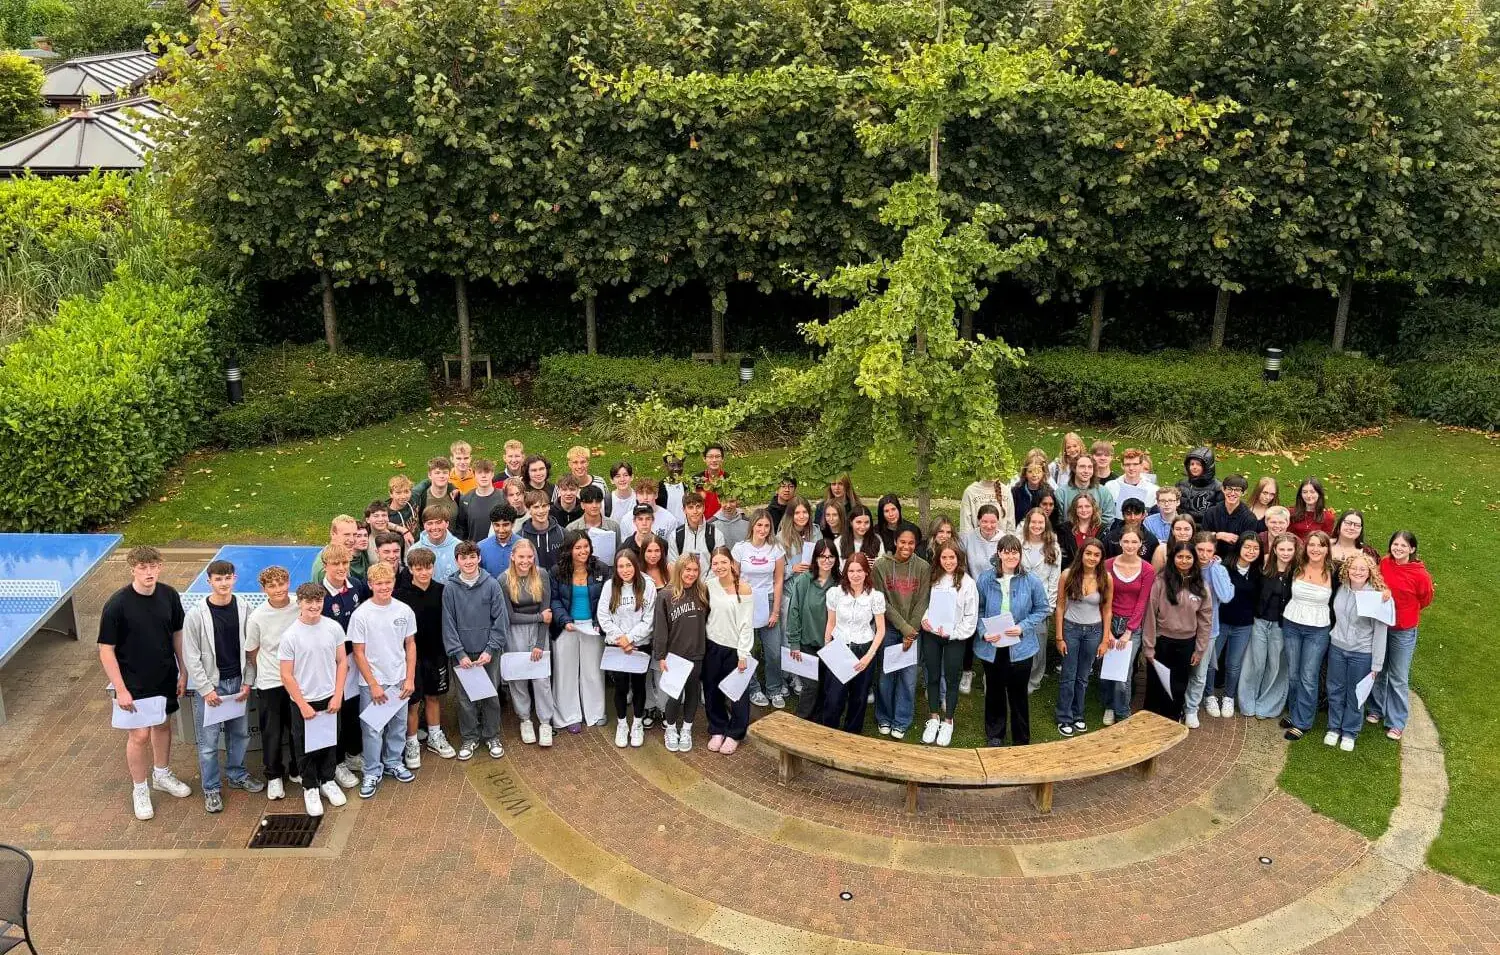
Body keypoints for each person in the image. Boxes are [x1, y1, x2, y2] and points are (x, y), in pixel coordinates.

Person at [100, 545, 192, 820]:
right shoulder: (117, 604)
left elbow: (177, 633)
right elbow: (106, 649)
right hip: (132, 681)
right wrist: (120, 688)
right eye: (143, 567)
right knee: (139, 735)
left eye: (153, 566)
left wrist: (183, 671)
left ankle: (161, 774)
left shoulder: (169, 595)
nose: (149, 572)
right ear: (133, 569)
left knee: (163, 725)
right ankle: (139, 789)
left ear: (160, 567)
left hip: (164, 674)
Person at [183, 559, 261, 813]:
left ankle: (237, 775)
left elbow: (251, 649)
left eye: (227, 578)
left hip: (238, 684)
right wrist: (206, 689)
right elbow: (191, 655)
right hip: (212, 688)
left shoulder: (245, 608)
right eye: (218, 579)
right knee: (208, 744)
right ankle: (211, 789)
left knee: (239, 735)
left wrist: (248, 681)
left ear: (234, 579)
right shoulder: (196, 615)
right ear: (209, 582)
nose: (223, 583)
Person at [278, 582, 350, 818]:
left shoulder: (333, 628)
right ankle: (310, 786)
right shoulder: (290, 636)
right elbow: (286, 675)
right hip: (304, 702)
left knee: (330, 742)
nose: (314, 606)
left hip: (330, 699)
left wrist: (338, 694)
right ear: (299, 603)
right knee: (305, 748)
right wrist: (302, 704)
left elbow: (342, 662)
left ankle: (327, 780)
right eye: (309, 602)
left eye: (318, 602)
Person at [348, 564, 417, 799]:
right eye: (379, 583)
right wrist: (374, 684)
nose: (384, 587)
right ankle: (371, 770)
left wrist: (409, 678)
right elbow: (358, 652)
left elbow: (410, 645)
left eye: (388, 582)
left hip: (399, 680)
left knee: (398, 725)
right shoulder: (361, 615)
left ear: (393, 583)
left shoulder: (404, 610)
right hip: (373, 683)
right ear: (370, 585)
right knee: (372, 729)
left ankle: (393, 762)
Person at [974, 536, 1049, 746]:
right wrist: (983, 631)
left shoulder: (1031, 580)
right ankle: (995, 735)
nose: (1011, 556)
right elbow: (978, 609)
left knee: (1018, 695)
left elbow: (1042, 609)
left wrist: (1022, 627)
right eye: (1006, 552)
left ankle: (1021, 738)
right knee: (995, 692)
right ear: (999, 553)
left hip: (1020, 646)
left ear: (1020, 554)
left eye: (1015, 552)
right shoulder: (985, 579)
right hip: (993, 645)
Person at [442, 541, 509, 760]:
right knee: (465, 699)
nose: (469, 562)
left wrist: (490, 649)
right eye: (464, 558)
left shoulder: (491, 585)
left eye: (472, 557)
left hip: (487, 653)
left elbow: (500, 620)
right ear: (457, 561)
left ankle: (492, 736)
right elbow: (448, 623)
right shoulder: (450, 588)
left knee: (490, 694)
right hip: (463, 655)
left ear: (479, 558)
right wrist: (459, 654)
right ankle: (470, 738)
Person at [316, 543, 371, 789]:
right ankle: (336, 762)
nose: (341, 568)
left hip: (354, 659)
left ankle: (352, 754)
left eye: (344, 563)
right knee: (333, 712)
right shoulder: (319, 596)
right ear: (325, 566)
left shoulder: (357, 586)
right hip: (330, 665)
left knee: (352, 710)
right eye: (335, 564)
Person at [1371, 531, 1435, 741]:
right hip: (1382, 625)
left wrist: (1407, 612)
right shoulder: (1385, 563)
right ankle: (1376, 709)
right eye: (1395, 545)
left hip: (1403, 630)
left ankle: (1396, 722)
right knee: (1379, 669)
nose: (1398, 549)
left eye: (1403, 546)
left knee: (1398, 676)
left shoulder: (1419, 574)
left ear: (1412, 549)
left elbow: (1425, 599)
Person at [245, 566, 300, 802]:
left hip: (299, 681)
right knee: (272, 732)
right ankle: (274, 776)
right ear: (264, 589)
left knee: (298, 729)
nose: (277, 590)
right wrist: (271, 670)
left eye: (281, 584)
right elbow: (252, 651)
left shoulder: (300, 605)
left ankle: (298, 769)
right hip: (270, 682)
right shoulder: (257, 618)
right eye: (271, 586)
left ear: (288, 583)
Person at [395, 547, 455, 764]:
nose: (423, 573)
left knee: (433, 696)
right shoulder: (399, 596)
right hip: (411, 658)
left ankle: (434, 735)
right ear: (410, 569)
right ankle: (411, 742)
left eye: (428, 568)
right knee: (413, 702)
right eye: (418, 569)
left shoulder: (442, 590)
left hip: (437, 653)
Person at [1142, 541, 1213, 722]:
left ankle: (1172, 717)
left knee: (1178, 684)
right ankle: (1150, 718)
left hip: (1187, 642)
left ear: (1194, 559)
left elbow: (1205, 620)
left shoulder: (1201, 585)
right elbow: (1150, 613)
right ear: (1172, 558)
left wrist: (1199, 649)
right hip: (1162, 640)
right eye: (1179, 556)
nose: (1184, 560)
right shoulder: (1160, 582)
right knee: (1156, 682)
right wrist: (1149, 646)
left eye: (1188, 557)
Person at [1325, 554, 1388, 751]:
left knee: (1356, 693)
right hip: (1337, 647)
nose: (1358, 572)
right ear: (1347, 570)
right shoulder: (1342, 588)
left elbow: (1380, 632)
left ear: (1370, 572)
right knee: (1335, 689)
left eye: (1363, 569)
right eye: (1354, 568)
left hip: (1362, 652)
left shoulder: (1377, 597)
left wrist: (1377, 664)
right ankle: (1334, 727)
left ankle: (1350, 731)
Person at [498, 539, 556, 747]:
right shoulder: (503, 580)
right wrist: (540, 618)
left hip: (539, 632)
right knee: (518, 679)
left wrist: (540, 643)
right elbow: (510, 617)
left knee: (541, 679)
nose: (525, 561)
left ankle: (545, 722)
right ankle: (524, 719)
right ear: (513, 557)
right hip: (515, 632)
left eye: (529, 557)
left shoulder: (542, 575)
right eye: (521, 557)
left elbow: (547, 610)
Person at [873, 528, 931, 739]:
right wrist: (904, 629)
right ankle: (884, 717)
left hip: (913, 630)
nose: (906, 547)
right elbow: (882, 602)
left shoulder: (923, 567)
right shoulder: (881, 566)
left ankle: (902, 720)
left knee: (908, 677)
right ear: (895, 541)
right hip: (889, 629)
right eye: (903, 542)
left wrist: (911, 632)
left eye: (911, 543)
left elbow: (923, 600)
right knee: (886, 675)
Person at [819, 552, 885, 733]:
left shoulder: (875, 596)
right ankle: (828, 732)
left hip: (864, 648)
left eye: (859, 570)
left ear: (866, 572)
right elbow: (830, 623)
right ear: (845, 572)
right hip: (839, 647)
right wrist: (827, 650)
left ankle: (852, 734)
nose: (855, 575)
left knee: (859, 697)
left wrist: (868, 657)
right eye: (851, 570)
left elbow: (880, 629)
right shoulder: (835, 593)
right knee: (834, 697)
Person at [550, 532, 609, 733]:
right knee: (565, 672)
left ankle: (595, 712)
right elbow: (555, 599)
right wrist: (564, 620)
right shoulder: (557, 571)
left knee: (593, 671)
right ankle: (569, 716)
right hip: (567, 627)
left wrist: (598, 622)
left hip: (592, 627)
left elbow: (607, 599)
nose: (583, 551)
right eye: (578, 547)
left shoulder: (601, 568)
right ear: (569, 550)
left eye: (586, 546)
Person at [920, 541, 978, 745]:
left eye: (951, 557)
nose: (948, 561)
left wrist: (954, 633)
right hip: (932, 635)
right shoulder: (933, 578)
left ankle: (948, 721)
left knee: (952, 679)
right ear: (938, 559)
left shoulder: (968, 583)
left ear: (959, 558)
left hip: (955, 638)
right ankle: (934, 717)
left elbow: (971, 617)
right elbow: (924, 604)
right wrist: (924, 619)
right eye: (944, 557)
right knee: (933, 676)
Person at [598, 550, 657, 748]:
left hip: (639, 645)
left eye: (629, 565)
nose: (625, 570)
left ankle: (637, 723)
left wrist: (630, 638)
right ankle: (622, 724)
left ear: (636, 565)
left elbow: (649, 619)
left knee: (639, 685)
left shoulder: (647, 585)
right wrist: (620, 639)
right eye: (621, 566)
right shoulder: (610, 586)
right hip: (617, 646)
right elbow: (603, 616)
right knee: (621, 686)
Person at [1237, 532, 1298, 720]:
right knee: (1254, 663)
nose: (1285, 553)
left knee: (1276, 666)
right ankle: (1247, 703)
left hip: (1282, 626)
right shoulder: (1263, 566)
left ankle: (1267, 705)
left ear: (1295, 551)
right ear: (1274, 550)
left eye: (1289, 549)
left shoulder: (1298, 572)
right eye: (1282, 549)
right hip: (1260, 622)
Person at [653, 554, 711, 752]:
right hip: (675, 655)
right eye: (687, 569)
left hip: (696, 652)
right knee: (674, 695)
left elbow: (707, 621)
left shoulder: (702, 591)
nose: (691, 574)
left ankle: (686, 728)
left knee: (693, 692)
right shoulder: (666, 595)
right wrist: (660, 656)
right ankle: (670, 728)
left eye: (695, 570)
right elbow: (660, 629)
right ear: (679, 570)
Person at [1281, 531, 1335, 741]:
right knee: (1293, 674)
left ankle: (1303, 722)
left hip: (1318, 630)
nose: (1315, 549)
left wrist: (1383, 590)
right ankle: (1295, 714)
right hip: (1292, 624)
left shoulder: (1335, 571)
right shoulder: (1296, 567)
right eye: (1311, 544)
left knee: (1308, 676)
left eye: (1320, 545)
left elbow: (1362, 577)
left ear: (1326, 549)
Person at [1055, 538, 1110, 737]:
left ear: (1101, 557)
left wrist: (1105, 639)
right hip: (1071, 629)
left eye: (1096, 555)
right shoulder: (1067, 575)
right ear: (1082, 554)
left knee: (1083, 677)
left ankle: (1078, 714)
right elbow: (1060, 606)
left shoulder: (1106, 578)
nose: (1092, 558)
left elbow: (1107, 609)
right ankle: (1064, 716)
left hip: (1093, 632)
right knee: (1068, 675)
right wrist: (1059, 636)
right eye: (1089, 553)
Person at [733, 508, 788, 709]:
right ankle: (753, 688)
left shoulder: (776, 549)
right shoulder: (741, 549)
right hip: (747, 601)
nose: (763, 530)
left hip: (768, 599)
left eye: (766, 526)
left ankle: (774, 688)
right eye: (759, 525)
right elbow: (734, 578)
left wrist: (775, 611)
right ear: (752, 526)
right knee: (750, 650)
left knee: (773, 651)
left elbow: (779, 579)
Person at [704, 547, 756, 753]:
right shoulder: (708, 586)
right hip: (712, 645)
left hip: (735, 649)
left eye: (723, 562)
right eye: (715, 563)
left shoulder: (743, 589)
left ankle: (735, 732)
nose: (719, 567)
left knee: (737, 693)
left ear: (732, 563)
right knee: (712, 689)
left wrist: (743, 653)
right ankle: (717, 727)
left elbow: (746, 625)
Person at [1102, 530, 1156, 725]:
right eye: (1126, 541)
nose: (1130, 545)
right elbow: (1104, 598)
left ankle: (1123, 713)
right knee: (1107, 668)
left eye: (1135, 542)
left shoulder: (1147, 569)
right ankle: (1109, 706)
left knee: (1123, 673)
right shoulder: (1108, 565)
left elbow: (1142, 602)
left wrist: (1128, 632)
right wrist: (1107, 630)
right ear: (1120, 542)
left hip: (1131, 627)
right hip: (1110, 620)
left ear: (1141, 544)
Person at [1183, 532, 1236, 729]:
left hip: (1208, 630)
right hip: (1182, 630)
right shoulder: (1184, 564)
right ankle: (1178, 705)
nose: (1204, 554)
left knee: (1199, 673)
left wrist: (1216, 568)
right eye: (1200, 550)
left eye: (1209, 551)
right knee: (1181, 670)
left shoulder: (1217, 569)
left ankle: (1191, 709)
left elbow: (1226, 596)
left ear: (1214, 552)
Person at [786, 541, 840, 721]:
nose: (826, 560)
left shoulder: (840, 583)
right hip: (807, 643)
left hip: (831, 645)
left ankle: (818, 723)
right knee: (811, 686)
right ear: (815, 558)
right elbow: (793, 611)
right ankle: (801, 722)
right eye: (822, 556)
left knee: (826, 686)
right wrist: (794, 643)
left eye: (830, 556)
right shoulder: (803, 581)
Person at [1211, 533, 1261, 719]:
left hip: (1243, 625)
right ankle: (1209, 696)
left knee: (1233, 664)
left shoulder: (1258, 572)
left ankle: (1229, 697)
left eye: (1255, 548)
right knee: (1212, 662)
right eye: (1247, 547)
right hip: (1221, 622)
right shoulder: (1223, 567)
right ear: (1239, 547)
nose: (1251, 551)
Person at [1019, 506, 1063, 695]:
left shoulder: (1052, 546)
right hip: (1019, 599)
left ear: (1046, 524)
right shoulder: (1018, 543)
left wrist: (1050, 606)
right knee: (1018, 639)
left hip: (1041, 602)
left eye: (1040, 522)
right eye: (1033, 522)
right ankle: (1018, 675)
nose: (1037, 526)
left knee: (1038, 642)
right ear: (1028, 523)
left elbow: (1054, 578)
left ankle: (1034, 679)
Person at [1201, 474, 1259, 561]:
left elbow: (1247, 546)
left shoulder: (1250, 518)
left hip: (1236, 560)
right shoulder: (1211, 512)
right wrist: (1218, 535)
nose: (1232, 493)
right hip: (1211, 558)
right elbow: (1202, 538)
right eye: (1229, 489)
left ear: (1243, 493)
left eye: (1237, 490)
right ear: (1223, 489)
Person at [1055, 455, 1116, 524]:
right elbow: (1058, 520)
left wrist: (1095, 532)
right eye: (1082, 467)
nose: (1086, 471)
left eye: (1090, 467)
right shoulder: (1061, 493)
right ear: (1074, 469)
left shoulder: (1104, 492)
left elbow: (1108, 518)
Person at [518, 490, 566, 574]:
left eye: (544, 506)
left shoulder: (563, 533)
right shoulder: (520, 537)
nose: (541, 511)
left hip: (558, 582)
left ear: (549, 507)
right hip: (533, 583)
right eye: (536, 507)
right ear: (528, 509)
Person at [409, 505, 461, 580]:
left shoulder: (459, 547)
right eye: (429, 523)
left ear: (447, 523)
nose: (434, 527)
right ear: (424, 525)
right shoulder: (414, 549)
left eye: (438, 522)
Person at [310, 515, 366, 584]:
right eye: (346, 535)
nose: (352, 540)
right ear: (333, 534)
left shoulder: (339, 555)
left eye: (354, 535)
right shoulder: (327, 566)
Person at [1105, 448, 1157, 520]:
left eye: (1135, 464)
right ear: (1122, 466)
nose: (1131, 468)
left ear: (1141, 465)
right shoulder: (1111, 486)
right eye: (1127, 464)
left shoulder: (1153, 490)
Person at [959, 470, 1015, 536]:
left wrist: (1008, 544)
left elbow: (1010, 524)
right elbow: (965, 526)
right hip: (976, 543)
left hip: (1001, 544)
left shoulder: (1006, 491)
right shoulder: (970, 492)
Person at [458, 459, 500, 543]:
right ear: (474, 475)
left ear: (492, 474)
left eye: (487, 472)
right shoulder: (466, 499)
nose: (483, 476)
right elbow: (462, 529)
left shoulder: (503, 497)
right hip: (474, 551)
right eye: (479, 472)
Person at [1059, 493, 1105, 568]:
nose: (1084, 510)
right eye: (1080, 507)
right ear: (1075, 509)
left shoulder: (1103, 530)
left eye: (1087, 506)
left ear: (1093, 508)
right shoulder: (1063, 529)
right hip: (1070, 573)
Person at [1175, 447, 1223, 520]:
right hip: (1182, 527)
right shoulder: (1181, 484)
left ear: (1207, 467)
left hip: (1206, 529)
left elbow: (1220, 516)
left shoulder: (1218, 488)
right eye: (1192, 464)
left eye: (1199, 464)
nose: (1194, 467)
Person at [669, 490, 716, 563]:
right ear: (684, 510)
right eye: (690, 507)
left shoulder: (716, 534)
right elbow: (673, 565)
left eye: (698, 506)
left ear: (703, 508)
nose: (695, 511)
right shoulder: (675, 536)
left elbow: (719, 565)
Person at [412, 456, 462, 521]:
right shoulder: (421, 498)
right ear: (430, 475)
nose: (441, 476)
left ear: (449, 475)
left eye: (445, 472)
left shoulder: (456, 495)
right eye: (437, 473)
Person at [1329, 509, 1378, 573]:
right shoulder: (1323, 544)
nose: (1352, 528)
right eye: (1348, 523)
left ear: (1361, 529)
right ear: (1339, 524)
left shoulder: (1368, 553)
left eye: (1357, 525)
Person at [478, 503, 518, 577]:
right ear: (492, 524)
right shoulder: (480, 547)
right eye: (497, 525)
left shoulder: (524, 546)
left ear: (513, 524)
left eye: (505, 525)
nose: (501, 530)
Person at [657, 453, 689, 523]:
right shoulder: (659, 487)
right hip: (667, 527)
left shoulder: (687, 485)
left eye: (680, 465)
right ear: (666, 466)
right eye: (672, 465)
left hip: (684, 527)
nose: (676, 468)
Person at [386, 474, 418, 543]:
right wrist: (403, 530)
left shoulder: (414, 498)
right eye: (398, 493)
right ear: (391, 494)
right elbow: (374, 522)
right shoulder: (386, 514)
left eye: (406, 492)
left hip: (419, 542)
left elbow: (425, 483)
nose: (403, 496)